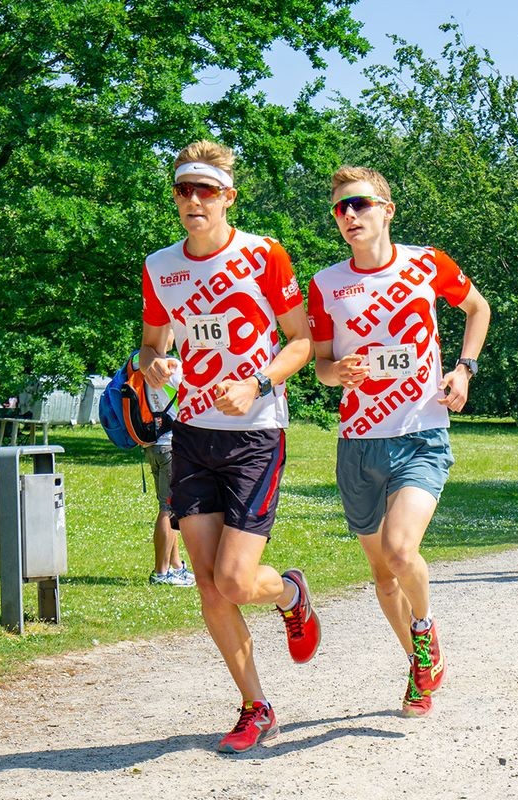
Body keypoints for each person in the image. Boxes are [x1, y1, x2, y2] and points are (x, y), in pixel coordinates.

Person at [139, 140, 320, 754]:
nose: (194, 200)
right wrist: (156, 365)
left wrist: (259, 381)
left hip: (254, 435)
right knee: (210, 587)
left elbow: (301, 342)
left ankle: (292, 593)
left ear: (227, 198)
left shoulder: (263, 254)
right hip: (190, 434)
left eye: (206, 190)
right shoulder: (160, 265)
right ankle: (256, 705)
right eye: (184, 189)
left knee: (237, 580)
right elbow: (151, 345)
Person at [308, 165, 491, 718]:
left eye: (359, 204)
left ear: (387, 209)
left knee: (400, 550)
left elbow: (477, 309)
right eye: (340, 209)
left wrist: (464, 370)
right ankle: (420, 666)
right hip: (359, 444)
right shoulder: (326, 285)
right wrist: (337, 371)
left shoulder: (426, 264)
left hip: (421, 434)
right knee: (383, 578)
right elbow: (317, 366)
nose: (350, 216)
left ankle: (425, 626)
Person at [142, 345, 195, 587]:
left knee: (169, 506)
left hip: (153, 441)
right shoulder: (171, 366)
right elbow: (193, 390)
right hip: (171, 442)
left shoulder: (143, 366)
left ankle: (176, 566)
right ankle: (161, 572)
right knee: (168, 509)